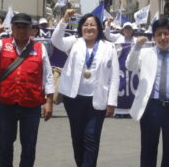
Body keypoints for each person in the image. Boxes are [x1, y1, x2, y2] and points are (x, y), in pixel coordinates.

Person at [0, 13, 54, 167]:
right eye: (18, 27)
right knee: (4, 145)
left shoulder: (39, 47)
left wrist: (49, 102)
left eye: (25, 27)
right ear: (12, 29)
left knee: (29, 146)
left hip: (31, 106)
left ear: (32, 30)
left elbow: (48, 76)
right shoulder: (2, 44)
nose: (21, 30)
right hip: (6, 104)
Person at [51, 9, 119, 167]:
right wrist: (65, 19)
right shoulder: (74, 42)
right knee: (77, 138)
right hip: (73, 99)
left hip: (97, 101)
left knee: (91, 138)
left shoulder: (109, 47)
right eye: (86, 25)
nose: (89, 28)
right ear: (81, 27)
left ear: (99, 28)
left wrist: (112, 102)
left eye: (93, 25)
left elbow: (114, 76)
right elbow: (56, 41)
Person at [126, 18, 169, 167]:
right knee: (148, 149)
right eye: (159, 34)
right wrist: (136, 47)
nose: (163, 38)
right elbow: (130, 66)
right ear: (154, 37)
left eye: (166, 34)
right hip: (151, 107)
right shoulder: (145, 53)